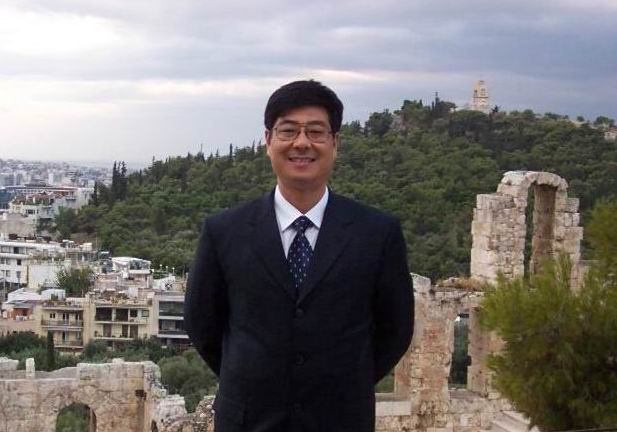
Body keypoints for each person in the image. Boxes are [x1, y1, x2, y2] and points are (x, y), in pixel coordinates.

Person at [184, 80, 414, 432]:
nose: (302, 143)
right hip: (249, 420)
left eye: (316, 132)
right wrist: (249, 377)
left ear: (335, 143)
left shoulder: (377, 233)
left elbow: (395, 329)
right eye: (288, 130)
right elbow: (203, 324)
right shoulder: (224, 231)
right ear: (268, 140)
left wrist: (344, 383)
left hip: (340, 420)